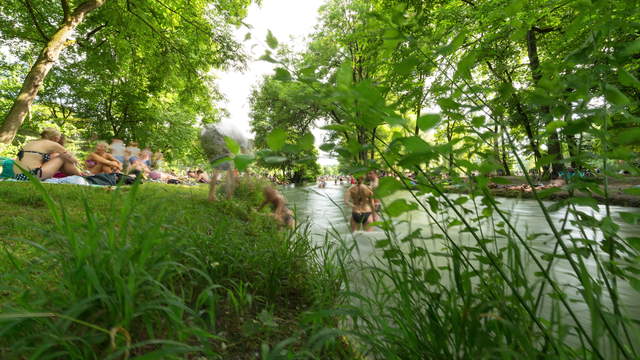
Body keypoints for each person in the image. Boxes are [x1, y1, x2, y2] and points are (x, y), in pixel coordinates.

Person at [6, 128, 83, 181]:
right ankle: (81, 176)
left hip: (19, 176)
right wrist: (77, 162)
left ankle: (79, 175)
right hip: (32, 174)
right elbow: (73, 159)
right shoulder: (52, 144)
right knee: (63, 157)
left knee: (59, 157)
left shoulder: (31, 143)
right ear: (56, 138)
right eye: (59, 139)